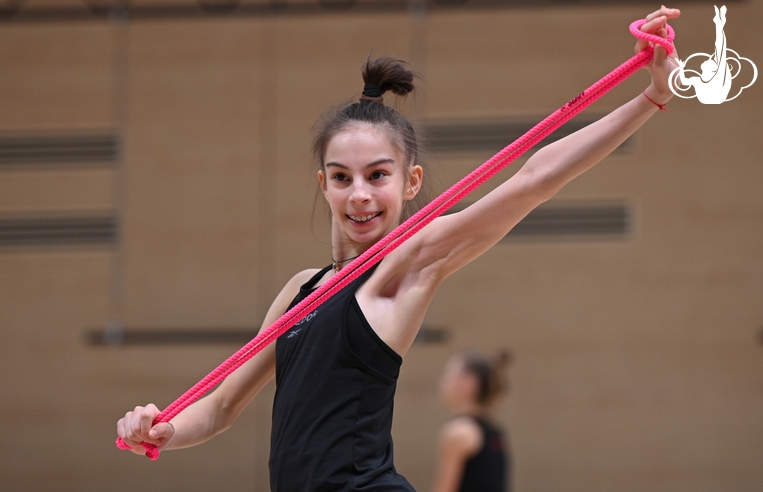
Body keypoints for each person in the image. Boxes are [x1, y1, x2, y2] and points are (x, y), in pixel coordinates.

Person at [116, 6, 681, 491]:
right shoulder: (301, 289)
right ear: (324, 185)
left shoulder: (407, 266)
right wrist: (164, 429)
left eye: (377, 176)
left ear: (410, 184)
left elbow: (532, 179)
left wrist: (650, 97)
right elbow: (218, 407)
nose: (359, 195)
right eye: (342, 177)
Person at [433, 351, 512, 492]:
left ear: (469, 383)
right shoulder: (495, 431)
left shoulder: (458, 432)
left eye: (448, 374)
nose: (441, 381)